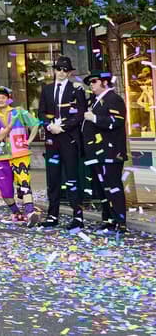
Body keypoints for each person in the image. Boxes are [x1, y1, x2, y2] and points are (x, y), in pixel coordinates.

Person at [39, 56, 86, 230]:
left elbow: (80, 113)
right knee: (53, 177)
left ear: (70, 72)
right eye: (58, 69)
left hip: (69, 138)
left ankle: (78, 216)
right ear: (54, 70)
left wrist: (63, 127)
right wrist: (49, 125)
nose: (61, 72)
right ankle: (52, 215)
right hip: (52, 139)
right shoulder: (47, 89)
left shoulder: (76, 89)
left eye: (65, 70)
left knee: (72, 177)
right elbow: (41, 112)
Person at [0, 86, 41, 225]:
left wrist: (29, 141)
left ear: (8, 99)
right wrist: (10, 125)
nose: (0, 100)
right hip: (2, 156)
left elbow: (35, 124)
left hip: (20, 154)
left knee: (24, 183)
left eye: (3, 97)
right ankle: (17, 213)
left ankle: (30, 213)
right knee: (4, 190)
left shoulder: (19, 111)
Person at [82, 70, 129, 234]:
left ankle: (120, 222)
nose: (91, 85)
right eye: (90, 83)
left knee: (113, 186)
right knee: (102, 188)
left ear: (104, 82)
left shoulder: (114, 99)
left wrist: (94, 118)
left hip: (111, 153)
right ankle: (108, 220)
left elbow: (117, 121)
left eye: (94, 81)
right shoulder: (93, 101)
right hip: (96, 153)